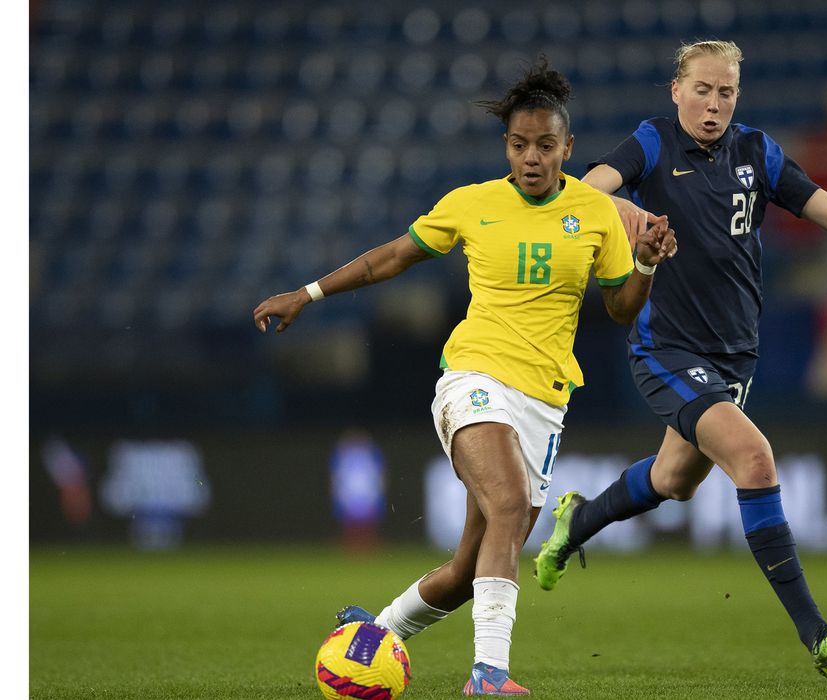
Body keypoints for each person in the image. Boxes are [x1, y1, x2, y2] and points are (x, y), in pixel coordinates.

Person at [253, 60, 675, 696]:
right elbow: (391, 257)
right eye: (517, 144)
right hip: (471, 377)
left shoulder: (594, 213)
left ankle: (375, 631)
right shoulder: (471, 204)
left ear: (568, 148)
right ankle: (487, 676)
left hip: (544, 402)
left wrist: (644, 263)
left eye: (543, 145)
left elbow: (620, 309)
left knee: (466, 568)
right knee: (506, 504)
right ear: (506, 145)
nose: (530, 157)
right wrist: (307, 294)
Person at [532, 39, 827, 677]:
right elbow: (586, 192)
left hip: (734, 356)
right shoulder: (653, 141)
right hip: (667, 347)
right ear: (677, 91)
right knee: (754, 459)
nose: (713, 104)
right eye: (702, 89)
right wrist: (638, 218)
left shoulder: (759, 152)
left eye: (726, 92)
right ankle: (815, 631)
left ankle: (578, 520)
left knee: (674, 480)